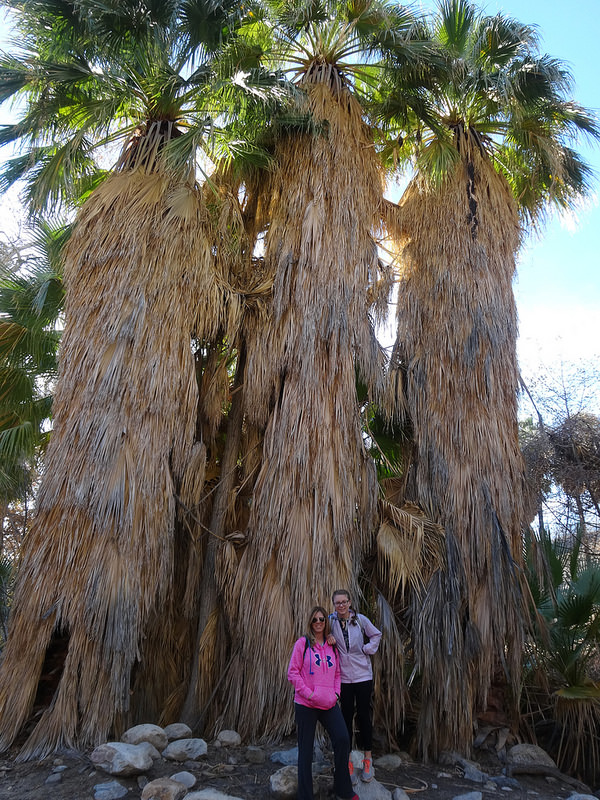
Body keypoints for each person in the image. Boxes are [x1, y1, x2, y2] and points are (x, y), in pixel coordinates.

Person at [288, 605, 358, 800]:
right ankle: (306, 796)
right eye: (315, 620)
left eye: (321, 619)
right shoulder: (302, 644)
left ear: (326, 622)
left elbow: (337, 673)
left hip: (328, 703)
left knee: (343, 739)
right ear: (310, 623)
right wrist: (308, 694)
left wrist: (336, 694)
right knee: (306, 751)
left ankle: (343, 789)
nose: (318, 623)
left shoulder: (332, 645)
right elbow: (292, 672)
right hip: (306, 704)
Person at [328, 589, 382, 784]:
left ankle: (368, 759)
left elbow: (376, 635)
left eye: (344, 602)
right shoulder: (330, 621)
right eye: (337, 602)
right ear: (333, 604)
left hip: (362, 675)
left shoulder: (360, 620)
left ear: (350, 602)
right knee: (345, 717)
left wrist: (367, 649)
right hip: (343, 677)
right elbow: (319, 634)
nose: (341, 605)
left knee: (363, 717)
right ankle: (348, 761)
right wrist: (329, 638)